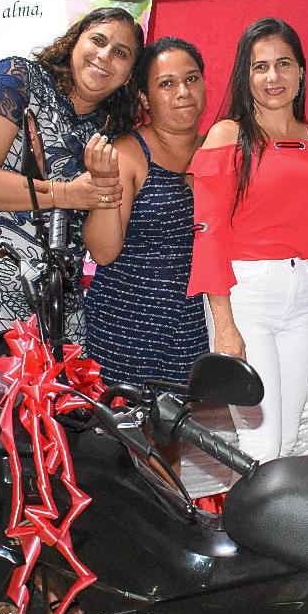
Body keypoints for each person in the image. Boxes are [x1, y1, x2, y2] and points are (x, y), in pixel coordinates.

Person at [0, 7, 141, 414]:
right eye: (98, 40)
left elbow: (102, 252)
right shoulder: (18, 79)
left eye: (122, 53)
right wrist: (67, 193)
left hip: (52, 313)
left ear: (130, 73)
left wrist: (104, 186)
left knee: (41, 444)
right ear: (75, 41)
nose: (105, 56)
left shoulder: (106, 131)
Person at [187, 18, 308, 463]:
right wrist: (224, 325)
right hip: (245, 296)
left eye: (283, 64)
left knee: (287, 443)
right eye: (260, 67)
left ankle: (266, 533)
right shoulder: (228, 135)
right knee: (261, 444)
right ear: (244, 76)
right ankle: (245, 533)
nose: (273, 78)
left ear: (301, 71)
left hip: (303, 293)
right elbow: (208, 235)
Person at [83, 37, 210, 390]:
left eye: (192, 78)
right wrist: (106, 182)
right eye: (166, 83)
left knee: (192, 440)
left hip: (195, 334)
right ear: (144, 98)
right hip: (126, 336)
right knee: (125, 441)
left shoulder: (220, 149)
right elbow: (104, 252)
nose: (183, 91)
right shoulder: (128, 153)